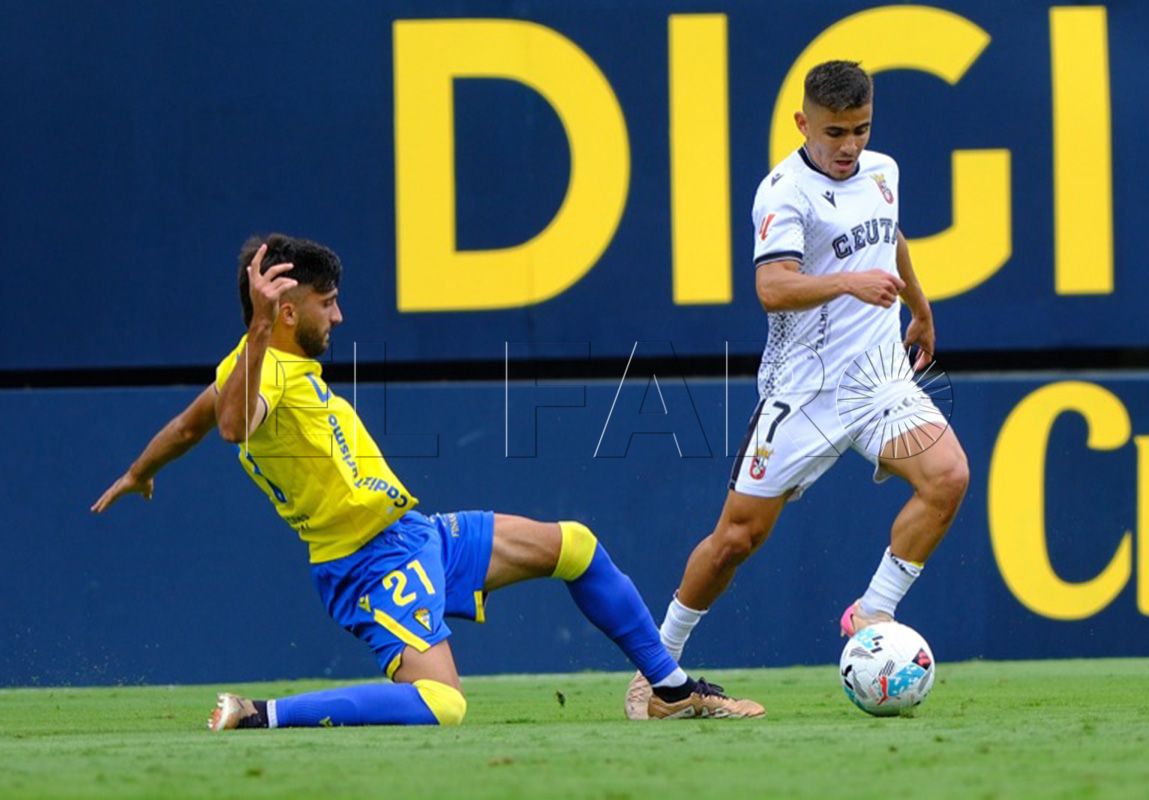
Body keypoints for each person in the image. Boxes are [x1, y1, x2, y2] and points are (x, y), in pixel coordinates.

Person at [93, 233, 764, 729]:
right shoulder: (261, 370)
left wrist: (138, 472)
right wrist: (258, 329)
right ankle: (259, 713)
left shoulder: (253, 365)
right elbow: (233, 426)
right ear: (286, 312)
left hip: (414, 534)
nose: (339, 316)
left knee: (574, 547)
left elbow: (190, 426)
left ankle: (670, 690)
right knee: (444, 704)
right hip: (366, 565)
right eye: (327, 303)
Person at [625, 60, 970, 719]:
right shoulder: (784, 194)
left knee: (948, 476)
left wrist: (920, 305)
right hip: (804, 394)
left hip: (877, 381)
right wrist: (846, 282)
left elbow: (886, 235)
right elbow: (772, 287)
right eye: (835, 131)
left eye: (861, 129)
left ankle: (874, 611)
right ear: (802, 123)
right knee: (734, 540)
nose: (848, 146)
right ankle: (656, 678)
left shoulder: (882, 170)